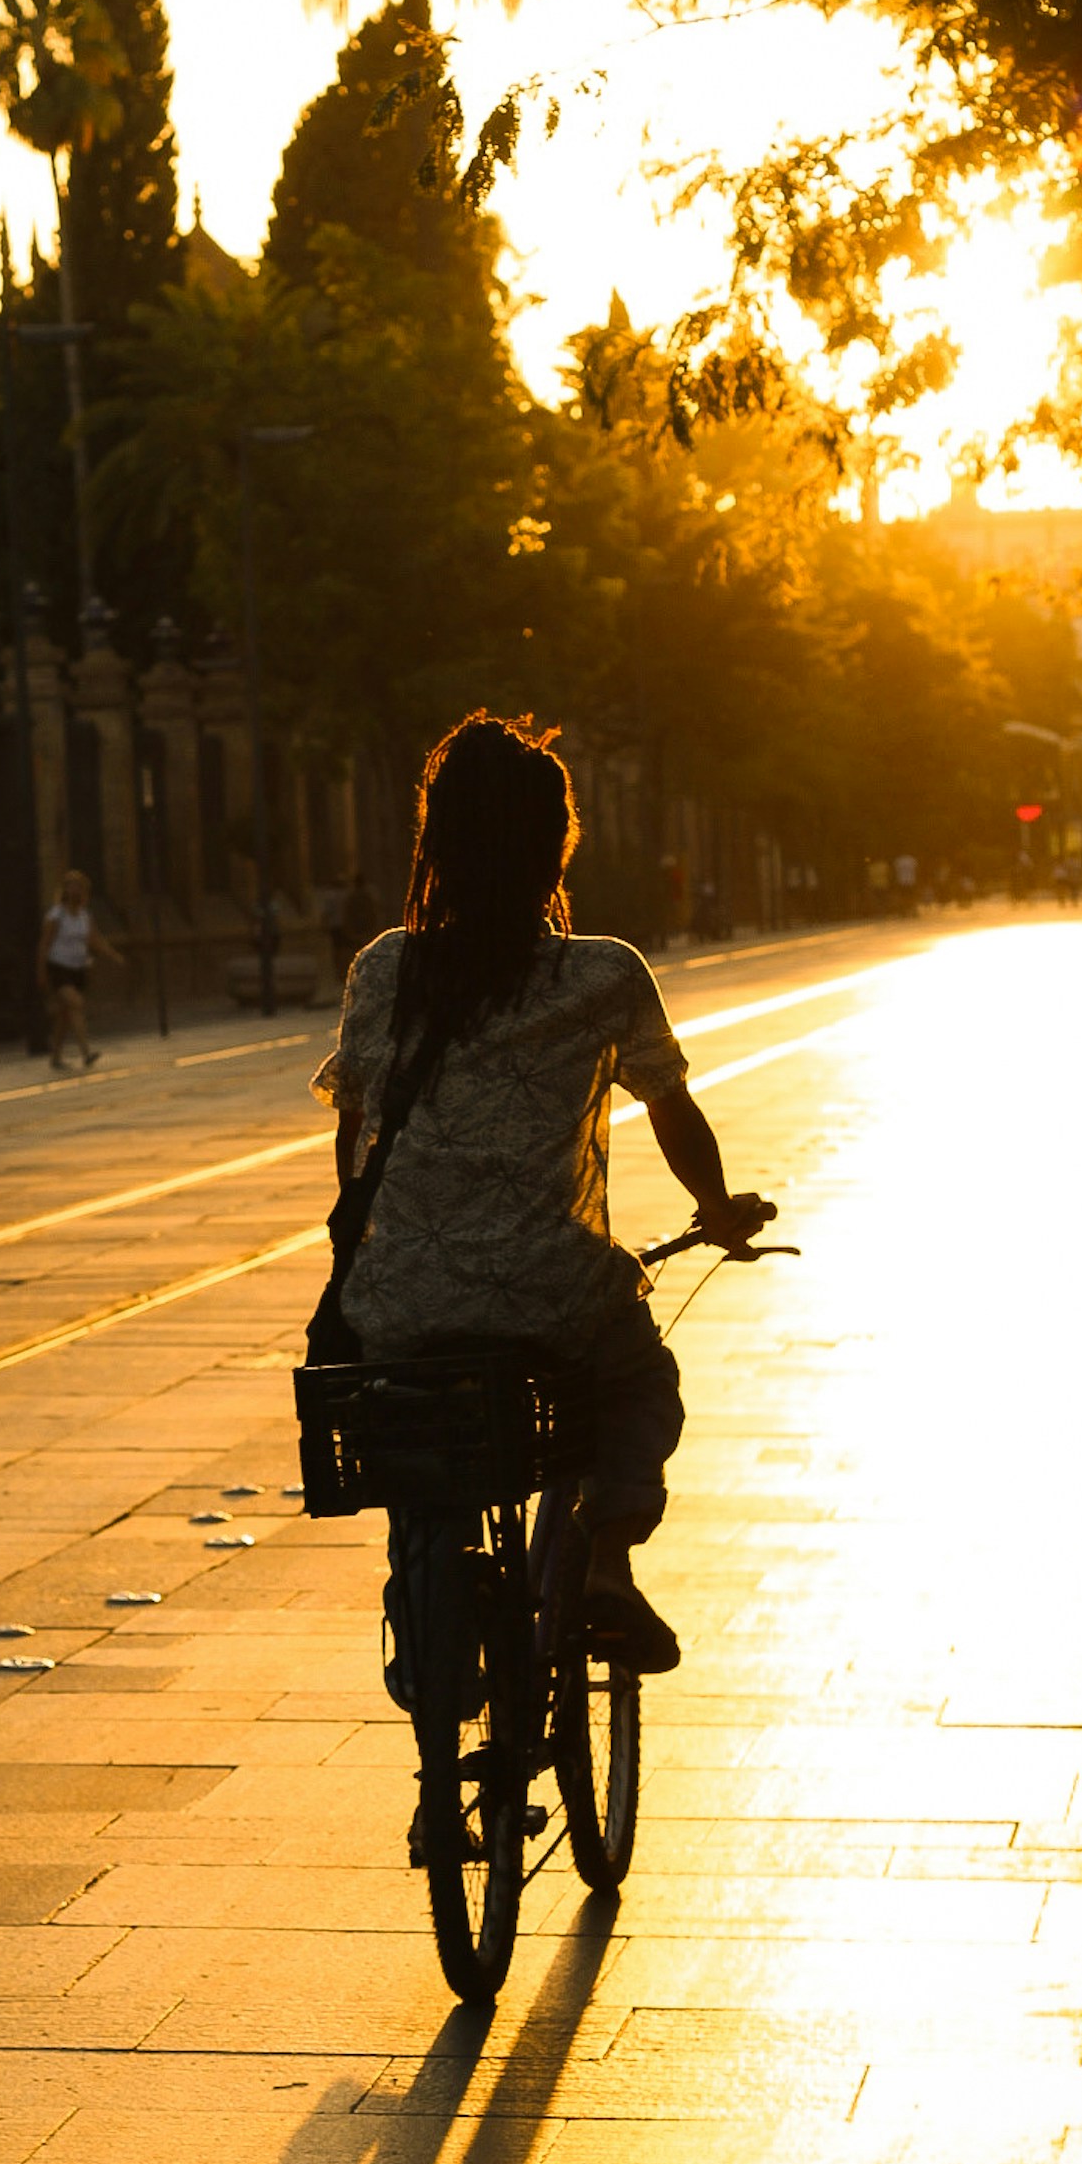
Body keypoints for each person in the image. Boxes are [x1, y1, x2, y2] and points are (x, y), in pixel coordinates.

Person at [312, 712, 771, 1677]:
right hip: (549, 1292)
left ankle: (423, 1611)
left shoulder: (384, 968)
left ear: (432, 842)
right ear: (554, 843)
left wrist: (391, 1254)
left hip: (402, 1297)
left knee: (416, 1436)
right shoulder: (602, 972)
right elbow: (675, 1116)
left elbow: (352, 1142)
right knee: (638, 1380)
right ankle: (603, 1561)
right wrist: (720, 1209)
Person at [36, 867, 123, 1070]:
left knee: (65, 1016)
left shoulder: (85, 915)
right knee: (75, 1004)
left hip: (78, 969)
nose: (74, 891)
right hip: (58, 967)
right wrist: (40, 972)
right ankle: (86, 1053)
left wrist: (113, 955)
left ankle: (55, 1057)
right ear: (64, 890)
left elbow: (95, 939)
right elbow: (44, 944)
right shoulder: (56, 915)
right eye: (70, 887)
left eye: (79, 887)